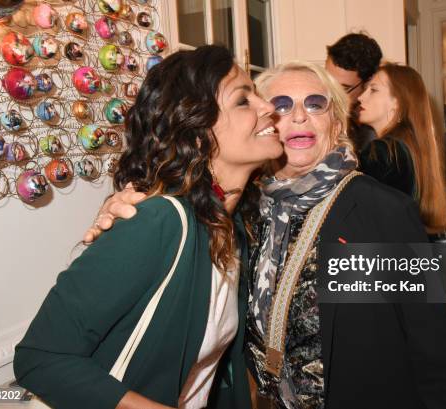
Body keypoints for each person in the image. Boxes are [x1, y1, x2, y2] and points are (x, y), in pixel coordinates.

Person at [88, 61, 446, 409]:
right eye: (283, 105)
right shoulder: (242, 213)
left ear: (336, 124)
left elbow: (432, 348)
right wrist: (122, 208)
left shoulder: (376, 211)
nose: (300, 116)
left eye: (316, 104)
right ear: (264, 123)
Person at [14, 45, 283, 409]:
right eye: (242, 101)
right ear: (198, 131)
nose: (268, 107)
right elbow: (39, 357)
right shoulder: (159, 221)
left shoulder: (233, 229)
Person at [356, 63, 446, 236]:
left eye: (374, 90)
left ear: (397, 103)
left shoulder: (383, 150)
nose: (361, 97)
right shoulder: (411, 147)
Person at [325, 32, 383, 153]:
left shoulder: (378, 128)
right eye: (327, 80)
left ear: (368, 83)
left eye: (343, 89)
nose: (331, 94)